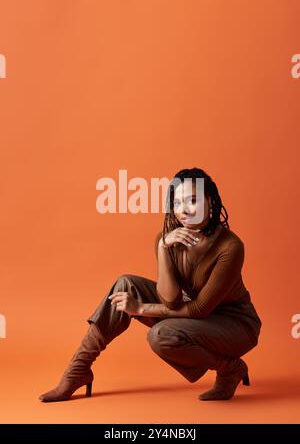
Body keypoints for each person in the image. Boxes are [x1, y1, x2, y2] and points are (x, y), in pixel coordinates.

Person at [39, 167, 262, 402]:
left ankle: (229, 368)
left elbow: (199, 309)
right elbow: (170, 300)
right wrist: (163, 247)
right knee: (125, 284)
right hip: (194, 316)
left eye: (193, 200)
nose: (184, 210)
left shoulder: (231, 247)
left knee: (162, 335)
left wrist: (141, 309)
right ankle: (78, 370)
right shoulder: (169, 238)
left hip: (235, 326)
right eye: (177, 203)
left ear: (211, 201)